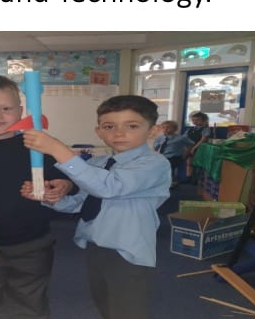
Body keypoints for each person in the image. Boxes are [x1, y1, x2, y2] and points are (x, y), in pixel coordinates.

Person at [20, 95, 171, 319]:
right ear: (99, 131)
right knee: (105, 304)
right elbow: (80, 203)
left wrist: (57, 149)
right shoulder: (97, 164)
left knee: (129, 310)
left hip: (128, 250)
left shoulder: (154, 164)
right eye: (109, 126)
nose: (119, 133)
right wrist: (50, 196)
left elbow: (108, 187)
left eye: (132, 126)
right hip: (96, 245)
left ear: (153, 131)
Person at [0, 74, 74, 319]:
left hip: (32, 242)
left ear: (20, 111)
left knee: (30, 302)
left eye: (6, 108)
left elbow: (65, 178)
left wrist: (62, 186)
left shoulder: (37, 145)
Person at [152, 120, 194, 184]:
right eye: (163, 127)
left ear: (175, 129)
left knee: (169, 169)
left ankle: (169, 182)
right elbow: (156, 147)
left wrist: (186, 153)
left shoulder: (180, 138)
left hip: (174, 157)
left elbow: (191, 144)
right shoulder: (160, 137)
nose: (165, 129)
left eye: (168, 127)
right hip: (163, 156)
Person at [183, 111, 211, 180]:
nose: (195, 121)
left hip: (199, 148)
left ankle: (197, 179)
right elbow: (184, 138)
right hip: (189, 148)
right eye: (193, 120)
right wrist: (186, 148)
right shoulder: (190, 130)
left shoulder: (205, 129)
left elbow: (203, 139)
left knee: (198, 164)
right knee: (189, 163)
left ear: (203, 120)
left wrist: (194, 148)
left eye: (197, 120)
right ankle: (188, 177)